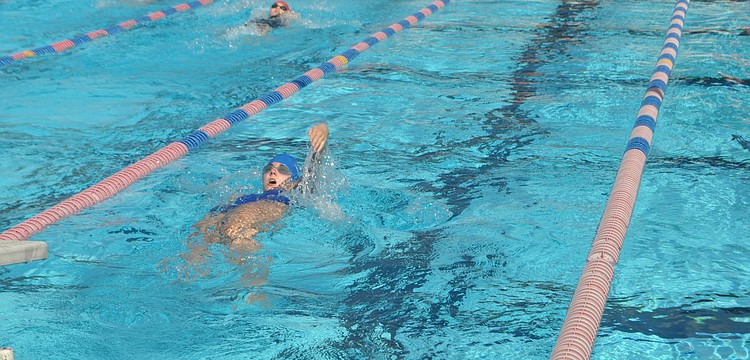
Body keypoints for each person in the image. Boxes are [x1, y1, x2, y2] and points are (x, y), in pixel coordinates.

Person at [192, 123, 330, 253]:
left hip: (269, 208)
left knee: (233, 228)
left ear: (293, 180)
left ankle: (255, 276)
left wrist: (322, 136)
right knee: (198, 237)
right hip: (236, 212)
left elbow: (312, 170)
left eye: (282, 169)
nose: (273, 172)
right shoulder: (244, 197)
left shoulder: (291, 193)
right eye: (268, 168)